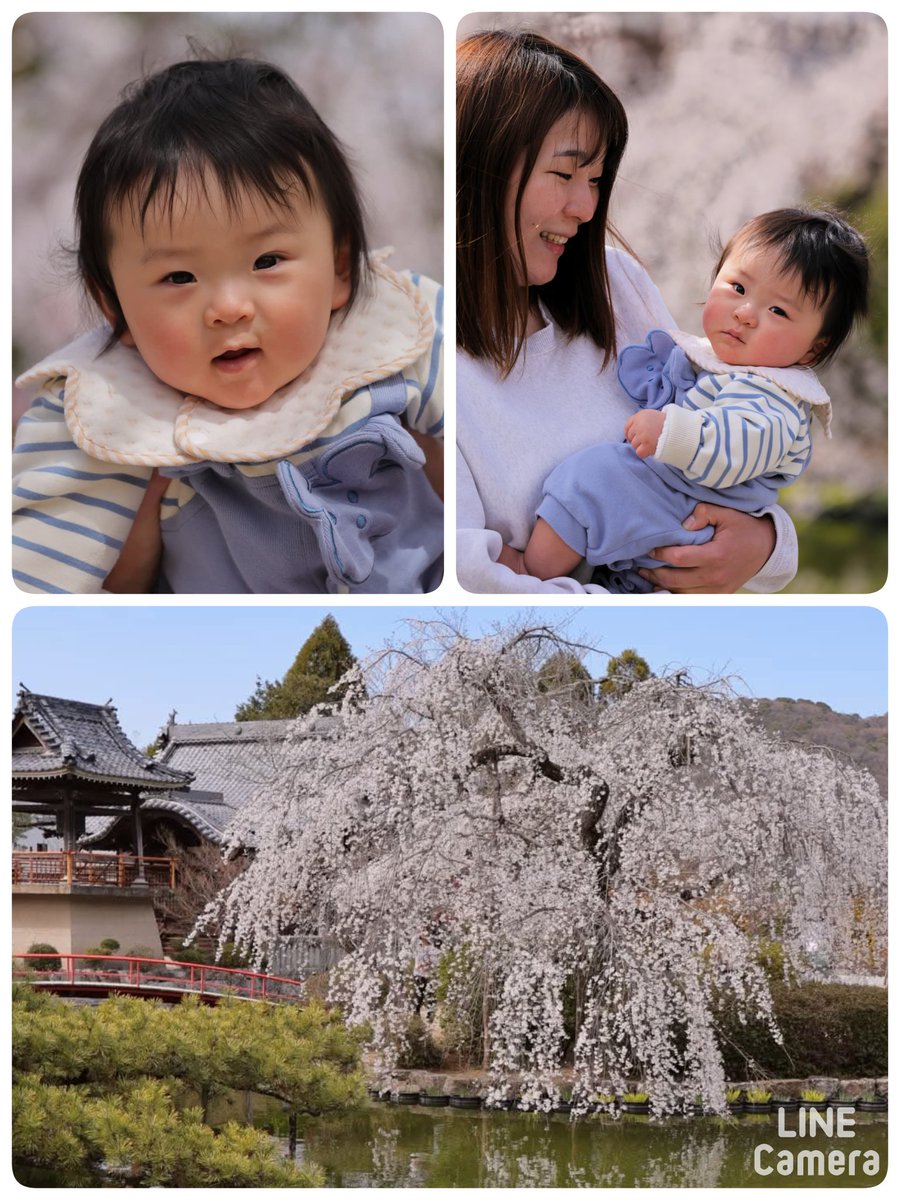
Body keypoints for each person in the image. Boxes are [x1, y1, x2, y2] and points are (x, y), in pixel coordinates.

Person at [13, 56, 443, 594]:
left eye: (267, 262)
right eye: (178, 276)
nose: (229, 308)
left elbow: (489, 452)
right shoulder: (104, 413)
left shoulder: (393, 327)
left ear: (338, 268)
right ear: (114, 308)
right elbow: (35, 584)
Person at [456, 29, 797, 595]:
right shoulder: (437, 369)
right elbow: (478, 583)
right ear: (480, 168)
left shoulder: (616, 284)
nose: (585, 207)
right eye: (564, 175)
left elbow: (726, 431)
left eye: (594, 181)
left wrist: (766, 543)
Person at [505, 208, 868, 590]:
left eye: (778, 310)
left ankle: (534, 570)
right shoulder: (722, 365)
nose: (745, 313)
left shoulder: (773, 399)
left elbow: (735, 445)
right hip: (671, 503)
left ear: (813, 350)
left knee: (592, 479)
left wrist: (670, 433)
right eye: (738, 288)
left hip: (688, 510)